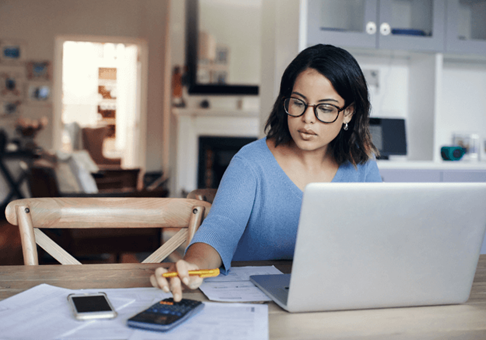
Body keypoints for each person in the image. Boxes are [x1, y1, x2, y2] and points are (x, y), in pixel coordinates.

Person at [150, 44, 382, 301]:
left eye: (325, 108)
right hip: (254, 301)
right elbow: (218, 232)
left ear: (348, 112)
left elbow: (378, 240)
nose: (308, 119)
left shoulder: (362, 164)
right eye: (298, 103)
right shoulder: (250, 163)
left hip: (332, 296)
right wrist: (193, 266)